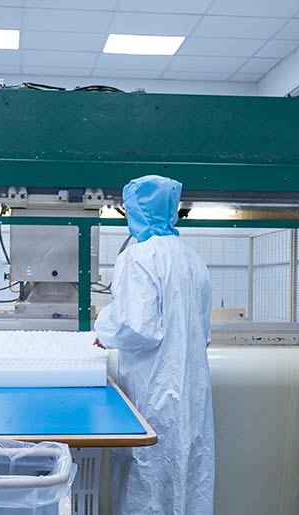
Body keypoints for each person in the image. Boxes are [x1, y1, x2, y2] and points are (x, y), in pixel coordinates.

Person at [95, 175, 214, 515]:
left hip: (155, 391)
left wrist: (105, 331)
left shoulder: (138, 257)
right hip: (191, 391)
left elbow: (139, 328)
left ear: (134, 210)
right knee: (190, 475)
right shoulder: (193, 260)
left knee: (148, 478)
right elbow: (203, 333)